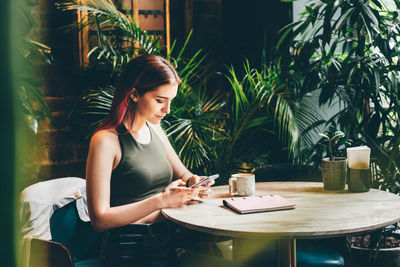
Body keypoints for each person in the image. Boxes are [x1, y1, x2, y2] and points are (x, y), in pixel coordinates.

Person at [85, 54, 213, 266]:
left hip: (167, 238)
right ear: (134, 94)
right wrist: (161, 201)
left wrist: (194, 183)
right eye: (160, 101)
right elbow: (99, 219)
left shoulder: (154, 127)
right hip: (127, 248)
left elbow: (183, 173)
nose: (167, 110)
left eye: (171, 101)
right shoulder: (105, 141)